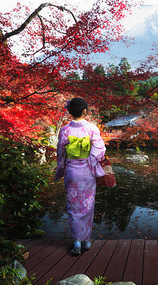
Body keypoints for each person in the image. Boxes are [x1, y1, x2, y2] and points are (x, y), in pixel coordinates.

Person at [54, 97, 106, 255]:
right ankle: (86, 241)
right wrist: (90, 160)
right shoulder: (91, 128)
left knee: (73, 206)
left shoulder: (65, 130)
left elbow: (60, 152)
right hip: (87, 172)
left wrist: (62, 165)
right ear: (85, 111)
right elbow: (100, 149)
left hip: (71, 172)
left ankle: (76, 242)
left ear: (70, 111)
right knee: (87, 205)